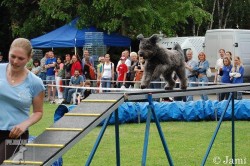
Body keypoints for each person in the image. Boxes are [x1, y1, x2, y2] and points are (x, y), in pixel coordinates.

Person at [0, 38, 45, 164]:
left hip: (15, 135)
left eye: (21, 58)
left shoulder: (35, 83)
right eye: (12, 56)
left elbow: (38, 112)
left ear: (29, 58)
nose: (15, 61)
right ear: (8, 52)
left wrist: (24, 125)